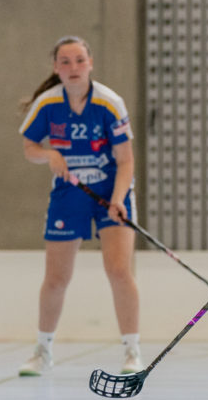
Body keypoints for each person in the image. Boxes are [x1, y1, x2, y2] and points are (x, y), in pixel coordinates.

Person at [17, 36, 143, 377]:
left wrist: (118, 199)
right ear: (56, 68)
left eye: (79, 60)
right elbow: (30, 147)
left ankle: (132, 350)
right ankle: (42, 350)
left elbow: (126, 160)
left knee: (118, 270)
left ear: (90, 64)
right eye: (65, 62)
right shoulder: (47, 104)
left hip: (110, 192)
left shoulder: (109, 103)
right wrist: (50, 154)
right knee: (56, 277)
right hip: (68, 195)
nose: (73, 68)